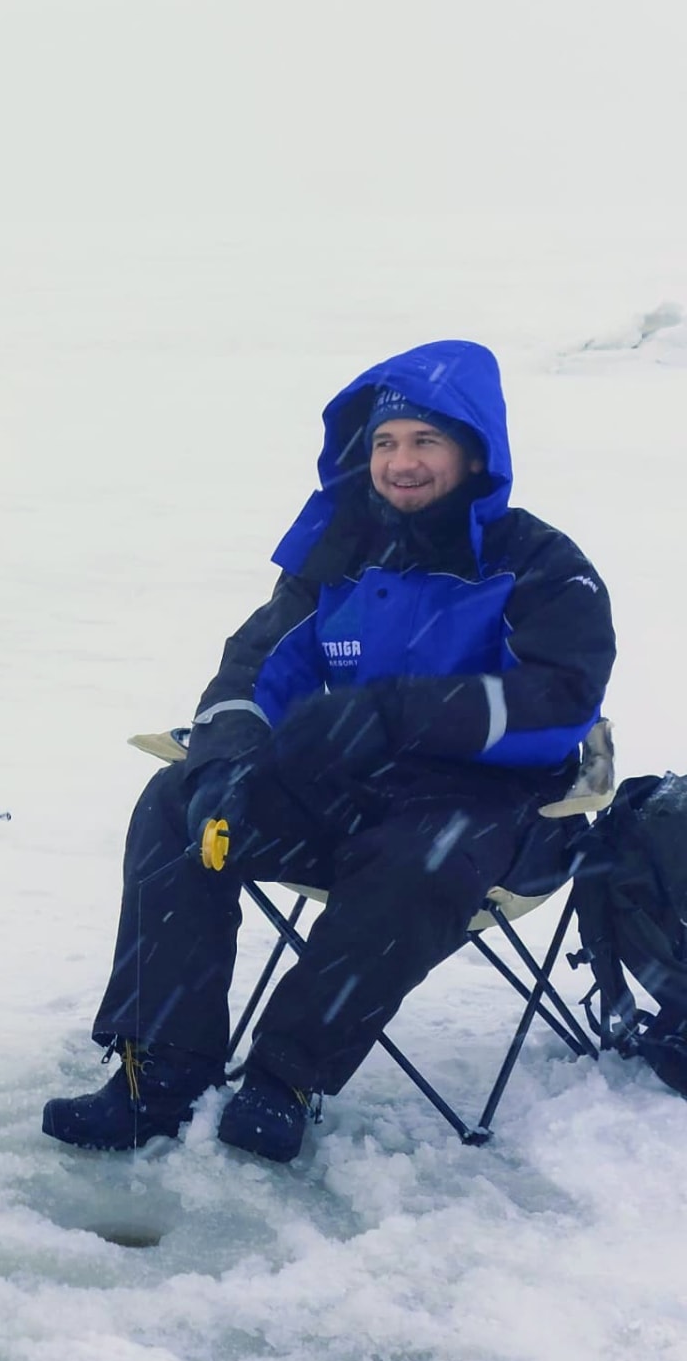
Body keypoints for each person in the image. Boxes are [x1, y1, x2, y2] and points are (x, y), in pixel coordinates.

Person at [42, 339, 615, 1163]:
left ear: (473, 453)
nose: (401, 462)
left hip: (494, 811)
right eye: (385, 443)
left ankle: (286, 1076)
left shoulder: (542, 565)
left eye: (426, 441)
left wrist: (396, 717)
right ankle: (159, 1075)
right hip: (342, 794)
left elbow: (558, 703)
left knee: (420, 855)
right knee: (176, 808)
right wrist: (227, 762)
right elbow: (253, 672)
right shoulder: (340, 551)